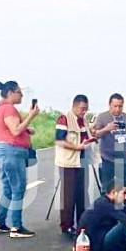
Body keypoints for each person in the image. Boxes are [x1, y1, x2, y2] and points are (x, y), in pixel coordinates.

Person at [0, 80, 39, 238]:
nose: (22, 95)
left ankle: (0, 222)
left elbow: (13, 128)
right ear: (10, 93)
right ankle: (16, 227)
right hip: (12, 152)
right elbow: (16, 130)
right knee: (18, 188)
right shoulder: (9, 108)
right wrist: (31, 116)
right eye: (19, 92)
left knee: (7, 189)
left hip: (2, 150)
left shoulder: (0, 108)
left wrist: (27, 128)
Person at [55, 95, 94, 235]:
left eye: (86, 109)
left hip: (82, 161)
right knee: (68, 196)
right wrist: (77, 147)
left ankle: (82, 223)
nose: (84, 112)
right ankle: (67, 225)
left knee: (82, 195)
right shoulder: (64, 118)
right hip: (69, 162)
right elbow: (59, 141)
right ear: (75, 106)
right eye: (82, 109)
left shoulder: (83, 121)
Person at [93, 93, 126, 188]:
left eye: (120, 106)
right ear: (109, 105)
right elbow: (95, 136)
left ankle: (124, 203)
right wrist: (106, 128)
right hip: (108, 160)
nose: (118, 109)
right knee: (108, 190)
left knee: (124, 188)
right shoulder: (102, 117)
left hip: (123, 160)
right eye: (115, 106)